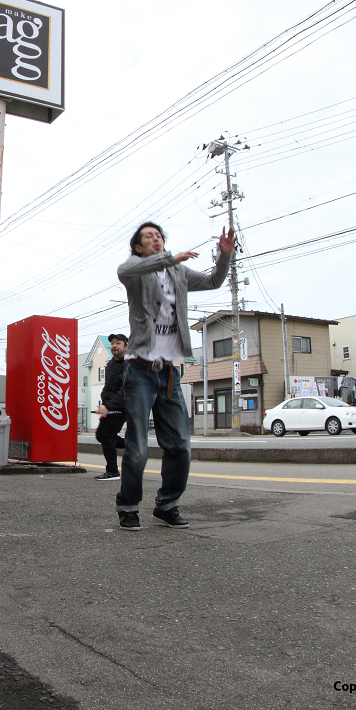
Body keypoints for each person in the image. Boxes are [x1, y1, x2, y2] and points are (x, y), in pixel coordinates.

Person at [115, 222, 233, 530]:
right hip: (139, 370)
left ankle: (167, 504)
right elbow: (123, 269)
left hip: (169, 374)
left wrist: (224, 256)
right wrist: (169, 258)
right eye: (149, 237)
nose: (156, 240)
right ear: (138, 247)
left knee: (180, 445)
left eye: (159, 236)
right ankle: (128, 506)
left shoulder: (179, 273)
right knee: (138, 447)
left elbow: (214, 281)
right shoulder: (135, 272)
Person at [93, 333, 129, 481]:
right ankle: (133, 444)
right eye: (112, 343)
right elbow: (109, 388)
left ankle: (113, 471)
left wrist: (108, 406)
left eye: (118, 343)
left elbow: (125, 391)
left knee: (107, 437)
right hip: (109, 407)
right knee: (100, 436)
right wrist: (104, 406)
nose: (114, 346)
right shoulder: (111, 363)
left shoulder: (129, 364)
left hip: (120, 407)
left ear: (126, 346)